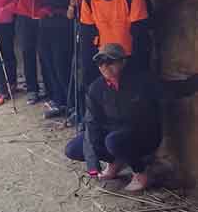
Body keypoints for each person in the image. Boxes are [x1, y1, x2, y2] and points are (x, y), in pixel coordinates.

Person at [64, 44, 198, 192]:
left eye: (110, 61)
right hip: (114, 135)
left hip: (143, 135)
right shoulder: (96, 88)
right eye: (100, 62)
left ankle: (140, 172)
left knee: (113, 141)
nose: (104, 66)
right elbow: (92, 124)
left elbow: (175, 90)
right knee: (73, 149)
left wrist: (193, 82)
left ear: (123, 62)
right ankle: (115, 161)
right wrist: (93, 165)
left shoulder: (142, 81)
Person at [80, 0, 151, 82]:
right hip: (102, 59)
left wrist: (138, 67)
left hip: (127, 59)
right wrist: (86, 68)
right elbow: (86, 35)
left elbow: (140, 35)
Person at [14, 0, 52, 105]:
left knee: (44, 53)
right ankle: (32, 89)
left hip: (42, 17)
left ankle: (49, 87)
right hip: (24, 18)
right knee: (27, 53)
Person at [38, 0, 75, 118]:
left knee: (62, 65)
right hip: (48, 27)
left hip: (64, 29)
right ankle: (59, 99)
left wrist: (56, 11)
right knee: (49, 63)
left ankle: (71, 104)